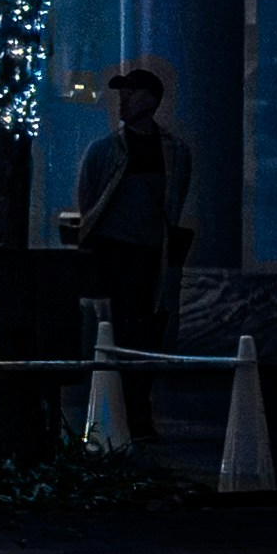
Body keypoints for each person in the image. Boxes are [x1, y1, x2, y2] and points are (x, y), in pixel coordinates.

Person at [63, 61, 194, 354]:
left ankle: (133, 388)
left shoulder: (175, 152)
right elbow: (89, 202)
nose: (123, 99)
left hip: (148, 254)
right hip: (112, 252)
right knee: (114, 326)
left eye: (131, 93)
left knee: (142, 323)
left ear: (150, 99)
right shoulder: (105, 150)